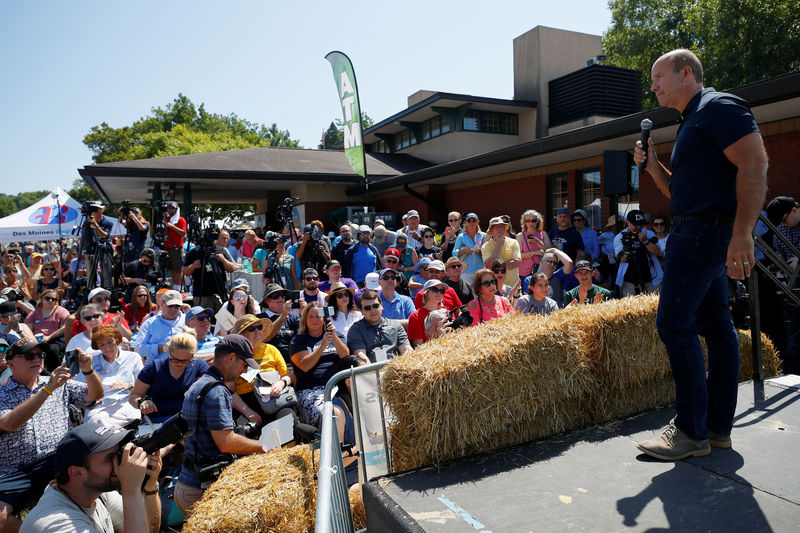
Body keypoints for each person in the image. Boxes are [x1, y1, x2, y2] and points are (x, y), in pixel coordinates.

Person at [633, 49, 768, 460]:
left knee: (674, 322)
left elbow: (756, 163)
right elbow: (686, 194)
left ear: (685, 73)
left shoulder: (718, 106)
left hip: (704, 234)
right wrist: (655, 168)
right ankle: (714, 431)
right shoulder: (692, 120)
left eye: (658, 77)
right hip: (698, 228)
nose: (653, 86)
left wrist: (742, 233)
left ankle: (690, 431)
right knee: (718, 330)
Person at [0, 340, 103, 532]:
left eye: (41, 355)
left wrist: (88, 371)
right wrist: (47, 390)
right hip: (16, 469)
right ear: (11, 363)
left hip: (56, 461)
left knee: (92, 487)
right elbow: (9, 422)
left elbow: (93, 396)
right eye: (30, 356)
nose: (38, 359)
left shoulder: (58, 383)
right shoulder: (3, 393)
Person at [174, 335, 263, 516]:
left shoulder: (201, 384)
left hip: (190, 483)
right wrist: (265, 447)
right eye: (244, 365)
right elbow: (226, 442)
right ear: (231, 358)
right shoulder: (217, 391)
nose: (244, 371)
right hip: (200, 490)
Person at [20, 423, 162, 533]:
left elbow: (149, 527)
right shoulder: (57, 523)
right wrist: (131, 489)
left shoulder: (97, 495)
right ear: (77, 473)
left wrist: (150, 485)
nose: (120, 462)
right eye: (110, 458)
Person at [290, 303, 350, 425]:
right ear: (305, 320)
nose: (315, 319)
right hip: (311, 391)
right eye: (310, 316)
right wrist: (322, 345)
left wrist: (334, 337)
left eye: (318, 316)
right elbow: (304, 366)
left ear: (324, 318)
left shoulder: (336, 335)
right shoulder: (298, 340)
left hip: (337, 387)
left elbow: (346, 357)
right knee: (329, 416)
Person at [129, 332, 209, 424]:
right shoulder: (154, 367)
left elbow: (204, 393)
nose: (179, 364)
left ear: (192, 356)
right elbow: (134, 396)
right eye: (174, 359)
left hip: (189, 420)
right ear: (169, 353)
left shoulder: (199, 366)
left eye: (185, 361)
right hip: (157, 421)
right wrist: (142, 403)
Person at [765, 196, 800, 375]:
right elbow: (779, 254)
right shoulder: (780, 230)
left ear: (795, 210)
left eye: (784, 220)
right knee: (793, 336)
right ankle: (794, 376)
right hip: (792, 288)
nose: (783, 225)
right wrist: (776, 264)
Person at [347, 289, 412, 363]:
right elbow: (362, 358)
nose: (372, 310)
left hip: (397, 369)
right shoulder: (355, 330)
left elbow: (407, 351)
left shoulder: (396, 326)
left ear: (381, 305)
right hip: (371, 371)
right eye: (367, 308)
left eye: (375, 306)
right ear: (361, 311)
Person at [182, 229, 239, 312]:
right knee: (202, 319)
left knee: (225, 320)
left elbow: (232, 268)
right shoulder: (195, 252)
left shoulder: (222, 250)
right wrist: (193, 266)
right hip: (201, 293)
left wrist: (223, 260)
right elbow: (184, 271)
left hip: (221, 292)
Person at [613, 209, 663, 296]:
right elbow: (620, 259)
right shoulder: (620, 237)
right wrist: (628, 246)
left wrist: (645, 241)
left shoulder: (648, 234)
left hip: (650, 279)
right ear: (628, 222)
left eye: (640, 225)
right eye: (635, 225)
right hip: (629, 281)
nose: (638, 227)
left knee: (654, 307)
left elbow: (658, 252)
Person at [134, 290, 186, 365]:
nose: (173, 309)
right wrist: (161, 348)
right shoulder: (149, 323)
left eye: (177, 306)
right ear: (162, 304)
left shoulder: (187, 320)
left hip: (183, 365)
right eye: (170, 305)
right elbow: (138, 349)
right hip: (157, 368)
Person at [24, 290, 69, 371]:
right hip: (36, 339)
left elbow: (64, 328)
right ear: (42, 299)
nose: (50, 300)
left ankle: (56, 371)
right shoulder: (35, 313)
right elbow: (27, 328)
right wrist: (32, 339)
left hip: (56, 338)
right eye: (47, 298)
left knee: (52, 349)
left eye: (53, 299)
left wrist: (49, 337)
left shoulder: (62, 311)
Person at [259, 284, 302, 368]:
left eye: (282, 295)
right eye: (275, 296)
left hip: (292, 363)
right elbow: (267, 336)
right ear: (267, 300)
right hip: (270, 365)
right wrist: (283, 315)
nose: (281, 298)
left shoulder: (293, 317)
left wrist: (304, 313)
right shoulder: (260, 318)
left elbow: (304, 335)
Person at [482, 216, 522, 287]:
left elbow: (517, 262)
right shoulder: (486, 246)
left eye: (502, 226)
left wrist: (496, 267)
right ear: (491, 230)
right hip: (495, 287)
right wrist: (499, 246)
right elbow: (489, 265)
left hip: (513, 286)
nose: (500, 229)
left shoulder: (514, 242)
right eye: (496, 227)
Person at [407, 279, 448, 347]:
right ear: (426, 292)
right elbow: (418, 346)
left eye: (441, 291)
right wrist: (439, 338)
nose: (438, 293)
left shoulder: (447, 312)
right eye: (434, 289)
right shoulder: (416, 316)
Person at [517, 210, 551, 278]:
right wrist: (535, 253)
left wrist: (538, 243)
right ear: (524, 222)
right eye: (528, 221)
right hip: (525, 272)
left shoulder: (543, 234)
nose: (531, 223)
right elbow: (518, 256)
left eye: (534, 220)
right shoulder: (520, 236)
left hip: (542, 270)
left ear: (538, 221)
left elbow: (551, 251)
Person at [453, 213, 484, 285]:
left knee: (480, 294)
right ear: (466, 223)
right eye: (469, 220)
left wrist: (480, 251)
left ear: (477, 222)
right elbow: (454, 252)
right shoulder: (461, 236)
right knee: (466, 294)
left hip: (480, 270)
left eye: (474, 220)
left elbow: (487, 252)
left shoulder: (483, 235)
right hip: (465, 271)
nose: (471, 222)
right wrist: (464, 251)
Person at [162, 201, 187, 291]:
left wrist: (172, 226)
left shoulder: (180, 220)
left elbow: (183, 233)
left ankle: (179, 288)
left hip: (176, 247)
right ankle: (174, 287)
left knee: (178, 269)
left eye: (172, 208)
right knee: (172, 269)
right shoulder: (166, 219)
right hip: (167, 247)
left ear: (176, 209)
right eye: (169, 208)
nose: (170, 210)